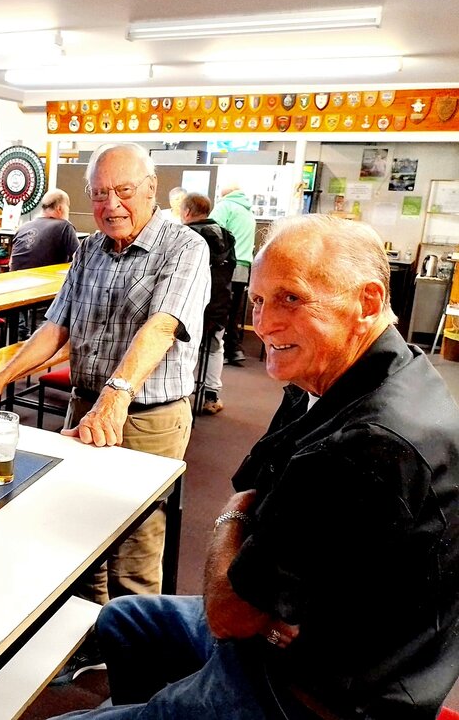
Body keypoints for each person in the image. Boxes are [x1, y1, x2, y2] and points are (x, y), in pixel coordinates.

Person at [58, 214, 459, 720]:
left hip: (314, 695)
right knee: (125, 618)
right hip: (295, 627)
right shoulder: (336, 375)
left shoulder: (370, 442)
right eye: (259, 301)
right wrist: (260, 594)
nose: (264, 325)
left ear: (368, 302)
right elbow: (254, 481)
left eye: (291, 298)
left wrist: (231, 517)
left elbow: (229, 613)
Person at [0, 143, 210, 602]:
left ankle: (131, 642)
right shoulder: (88, 250)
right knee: (80, 539)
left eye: (124, 191)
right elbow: (55, 328)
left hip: (147, 417)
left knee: (133, 553)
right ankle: (90, 634)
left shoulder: (184, 247)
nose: (111, 204)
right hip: (85, 408)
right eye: (99, 193)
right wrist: (0, 378)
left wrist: (115, 395)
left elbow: (162, 326)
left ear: (151, 188)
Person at [179, 192, 235, 415]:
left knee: (178, 345)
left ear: (186, 212)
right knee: (215, 347)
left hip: (189, 306)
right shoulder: (226, 236)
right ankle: (211, 395)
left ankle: (178, 393)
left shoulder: (185, 235)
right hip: (219, 304)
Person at [9, 188, 81, 339]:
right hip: (42, 291)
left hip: (14, 289)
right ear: (60, 208)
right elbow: (80, 259)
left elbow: (11, 262)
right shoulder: (64, 226)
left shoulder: (23, 227)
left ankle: (20, 335)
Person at [209, 181, 255, 364]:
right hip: (244, 266)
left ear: (223, 194)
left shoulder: (225, 206)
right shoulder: (248, 212)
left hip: (227, 265)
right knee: (235, 309)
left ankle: (216, 349)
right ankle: (234, 349)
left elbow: (211, 231)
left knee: (220, 308)